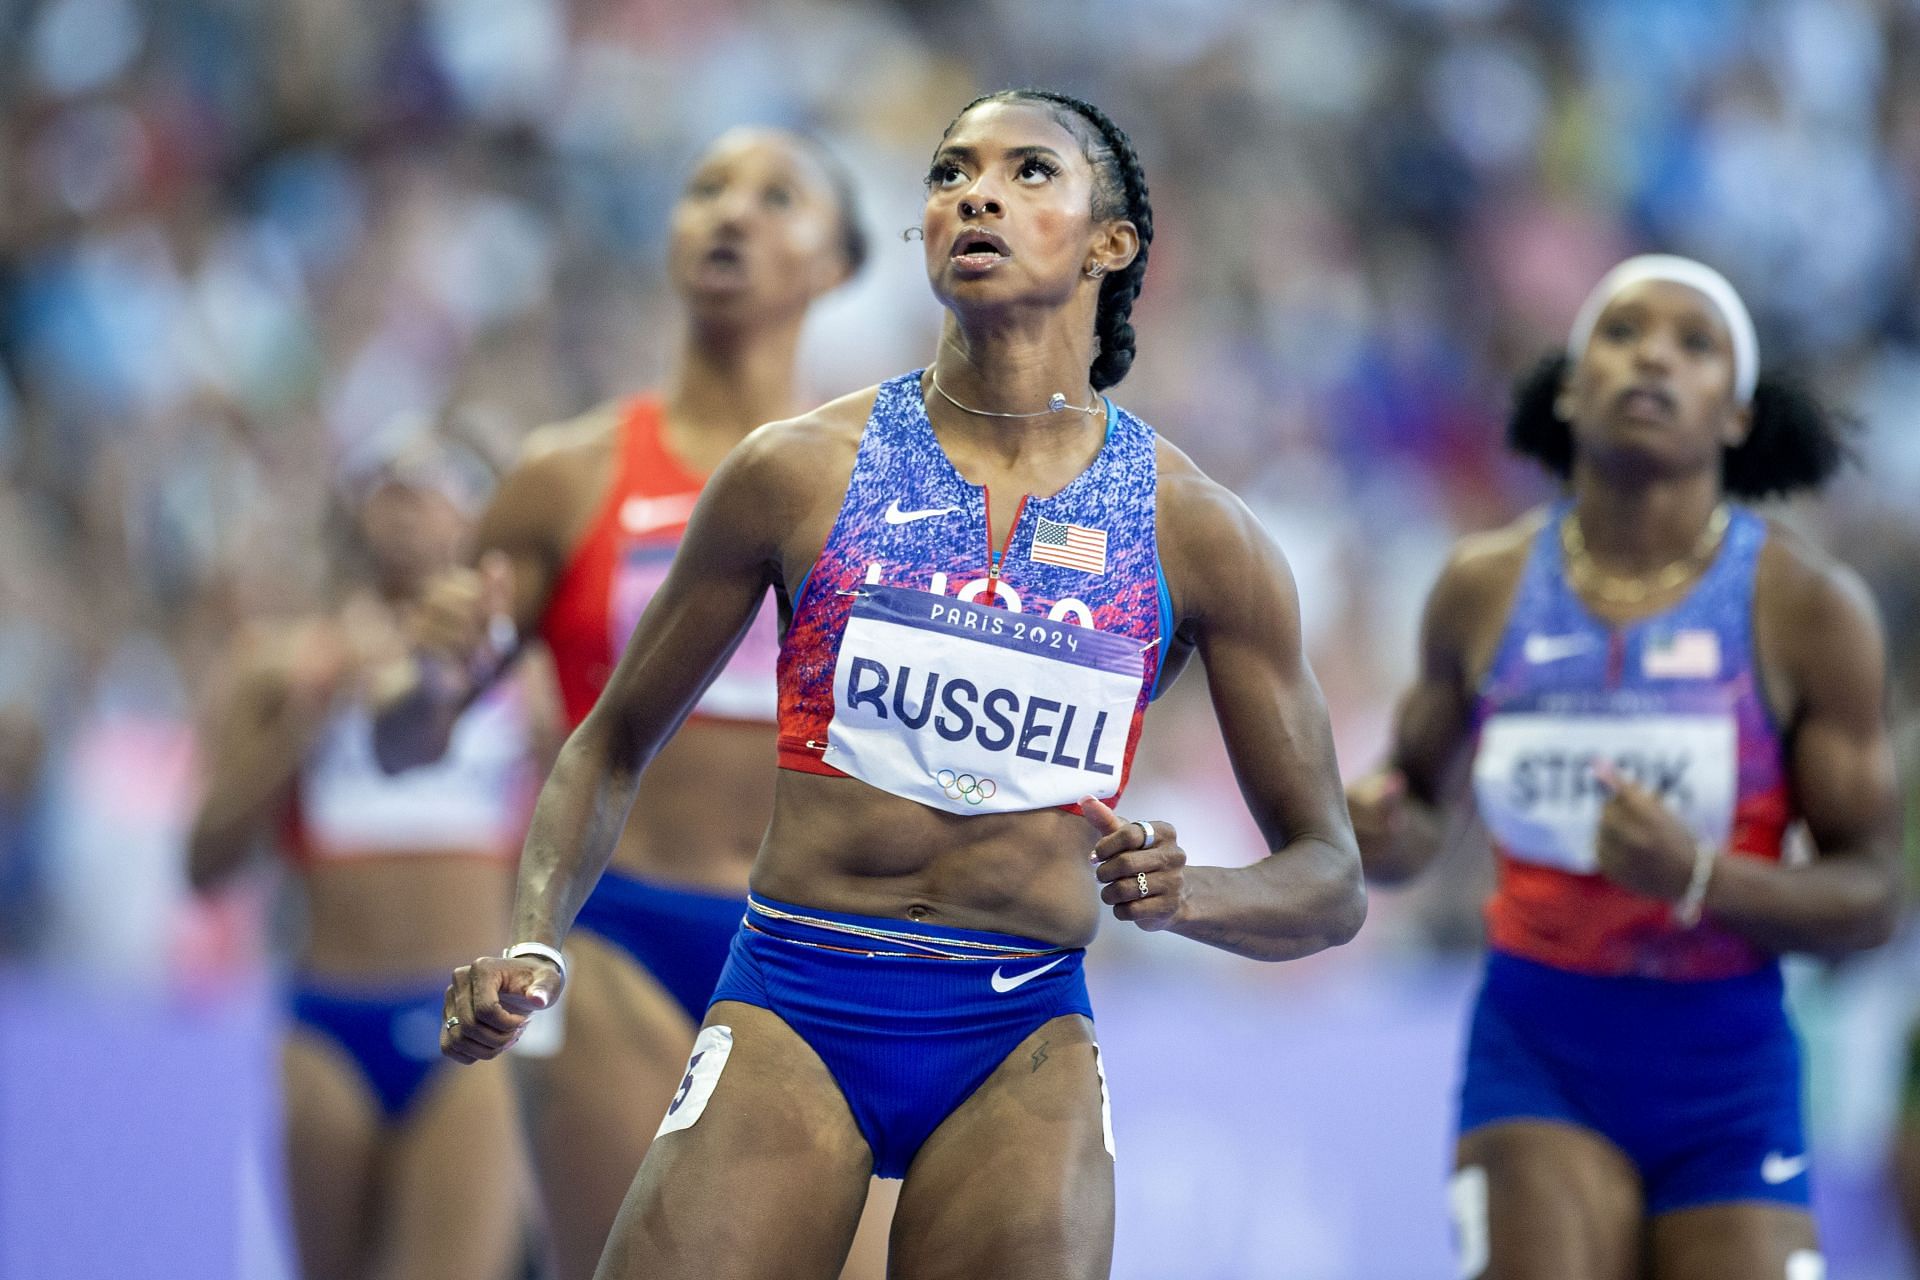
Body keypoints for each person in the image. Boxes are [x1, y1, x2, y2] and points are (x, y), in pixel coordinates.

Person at [438, 88, 1366, 1280]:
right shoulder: (795, 474)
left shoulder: (1197, 533)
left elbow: (1330, 876)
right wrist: (533, 941)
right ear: (922, 234)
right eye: (950, 173)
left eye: (1029, 172)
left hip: (1018, 1027)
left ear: (1109, 243)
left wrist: (1194, 897)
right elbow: (609, 741)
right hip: (797, 990)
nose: (975, 192)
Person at [371, 127, 881, 1279]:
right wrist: (424, 673)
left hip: (832, 944)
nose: (730, 214)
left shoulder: (891, 489)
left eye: (776, 197)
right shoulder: (569, 476)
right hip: (622, 940)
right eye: (705, 190)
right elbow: (411, 737)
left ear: (839, 263)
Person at [1348, 254, 1902, 1279]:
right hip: (1540, 1047)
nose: (1653, 356)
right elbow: (1414, 812)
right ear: (1568, 384)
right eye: (1623, 332)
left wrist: (1699, 875)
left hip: (1728, 1066)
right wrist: (1380, 824)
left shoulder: (1807, 608)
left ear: (1735, 415)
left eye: (1694, 346)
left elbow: (1872, 901)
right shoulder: (1482, 586)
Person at [189, 432, 549, 1280]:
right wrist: (305, 716)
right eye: (389, 488)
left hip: (470, 1018)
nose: (408, 509)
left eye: (433, 487)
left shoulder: (524, 671)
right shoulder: (282, 663)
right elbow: (203, 864)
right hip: (330, 1019)